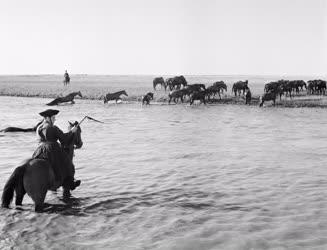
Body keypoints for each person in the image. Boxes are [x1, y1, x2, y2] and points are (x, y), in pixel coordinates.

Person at [32, 109, 81, 192]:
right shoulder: (53, 128)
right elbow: (64, 140)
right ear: (48, 118)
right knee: (68, 164)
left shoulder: (38, 127)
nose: (55, 120)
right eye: (53, 118)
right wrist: (72, 132)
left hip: (39, 150)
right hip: (51, 150)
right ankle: (70, 182)